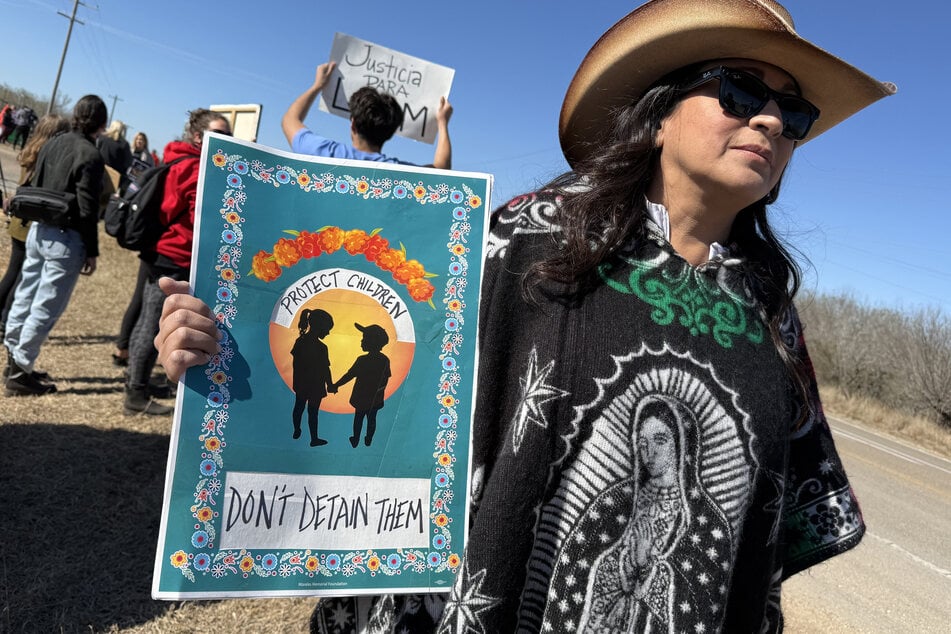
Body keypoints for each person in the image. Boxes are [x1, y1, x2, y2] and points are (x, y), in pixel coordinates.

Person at [153, 0, 896, 631]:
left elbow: (783, 516)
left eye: (790, 111)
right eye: (738, 91)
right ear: (658, 115)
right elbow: (391, 384)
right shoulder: (532, 242)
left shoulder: (768, 308)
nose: (769, 121)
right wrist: (228, 348)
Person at [123, 108, 231, 415]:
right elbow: (205, 222)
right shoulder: (198, 169)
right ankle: (135, 395)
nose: (228, 141)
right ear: (199, 137)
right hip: (174, 258)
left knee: (151, 319)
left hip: (160, 252)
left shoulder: (175, 157)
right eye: (221, 135)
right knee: (152, 322)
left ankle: (138, 380)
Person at [4, 95, 107, 396]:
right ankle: (20, 371)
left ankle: (14, 361)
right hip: (66, 237)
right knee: (46, 306)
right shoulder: (90, 155)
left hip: (38, 230)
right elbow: (88, 209)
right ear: (101, 123)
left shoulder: (53, 142)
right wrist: (92, 250)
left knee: (25, 295)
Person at [281, 61, 453, 168]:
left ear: (353, 124)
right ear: (390, 133)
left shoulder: (325, 153)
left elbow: (290, 120)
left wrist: (317, 86)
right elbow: (441, 169)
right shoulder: (399, 174)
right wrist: (442, 123)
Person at [0, 114, 71, 342]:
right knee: (19, 277)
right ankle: (4, 322)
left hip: (20, 221)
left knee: (14, 273)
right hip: (28, 223)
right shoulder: (47, 156)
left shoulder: (31, 150)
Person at [110, 130, 157, 366]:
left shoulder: (152, 163)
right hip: (161, 251)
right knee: (146, 307)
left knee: (141, 301)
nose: (139, 142)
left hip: (153, 245)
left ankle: (124, 349)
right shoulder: (171, 170)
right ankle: (126, 353)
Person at [332, 322, 392, 448]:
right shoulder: (384, 360)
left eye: (364, 338)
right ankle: (368, 439)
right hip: (374, 399)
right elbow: (385, 379)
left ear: (371, 341)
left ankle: (356, 439)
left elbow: (349, 375)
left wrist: (336, 385)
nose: (361, 341)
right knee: (371, 420)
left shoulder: (362, 360)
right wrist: (378, 392)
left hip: (362, 397)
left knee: (358, 418)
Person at [290, 308, 336, 446]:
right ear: (320, 327)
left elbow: (324, 368)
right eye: (327, 329)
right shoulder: (318, 346)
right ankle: (306, 434)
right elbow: (324, 368)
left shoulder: (303, 341)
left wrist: (330, 384)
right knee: (310, 411)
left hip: (306, 383)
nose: (328, 333)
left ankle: (305, 433)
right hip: (312, 384)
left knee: (301, 408)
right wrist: (330, 384)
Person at [97, 120, 134, 191]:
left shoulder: (102, 138)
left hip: (99, 172)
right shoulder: (124, 144)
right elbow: (128, 162)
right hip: (114, 178)